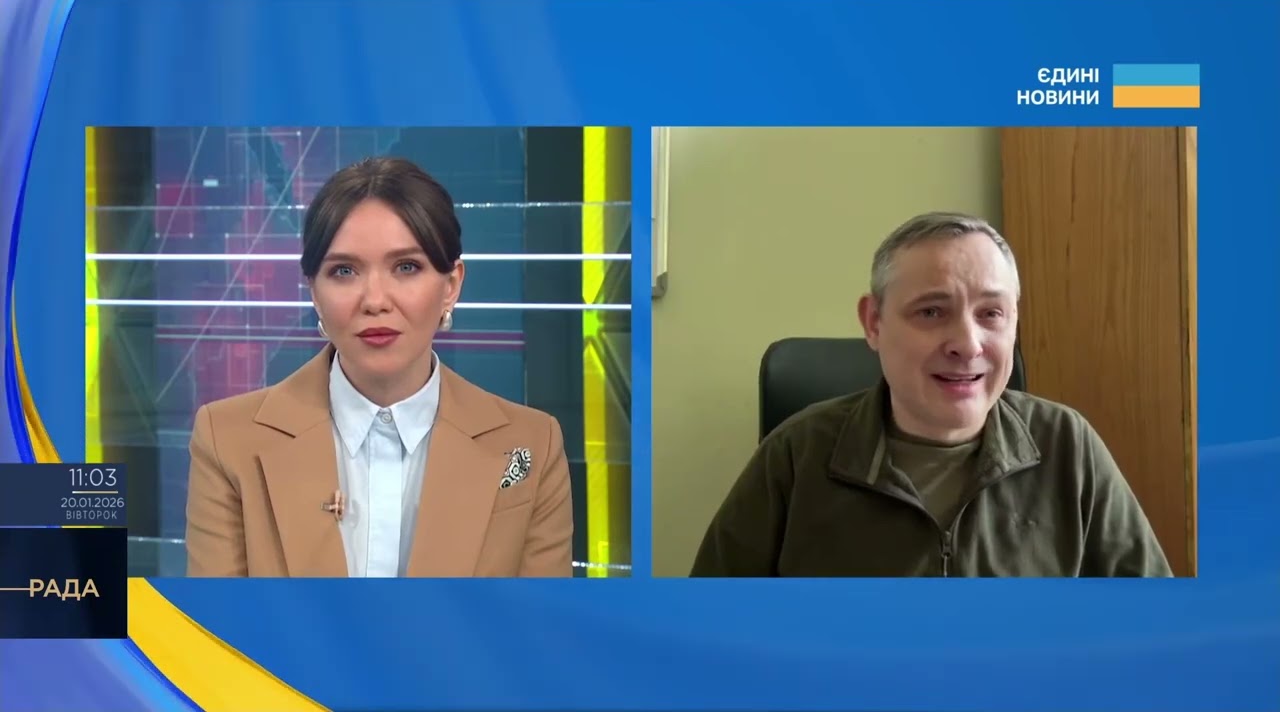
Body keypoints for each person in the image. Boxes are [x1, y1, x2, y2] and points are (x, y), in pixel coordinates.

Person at [690, 212, 1171, 578]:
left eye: (991, 313)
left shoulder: (1067, 444)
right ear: (874, 323)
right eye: (932, 312)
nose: (968, 344)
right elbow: (710, 634)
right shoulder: (796, 455)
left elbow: (1152, 630)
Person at [184, 157, 573, 578]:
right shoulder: (226, 440)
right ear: (313, 291)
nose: (374, 301)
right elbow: (215, 618)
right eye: (344, 271)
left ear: (451, 285)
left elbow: (538, 617)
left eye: (406, 267)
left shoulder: (534, 443)